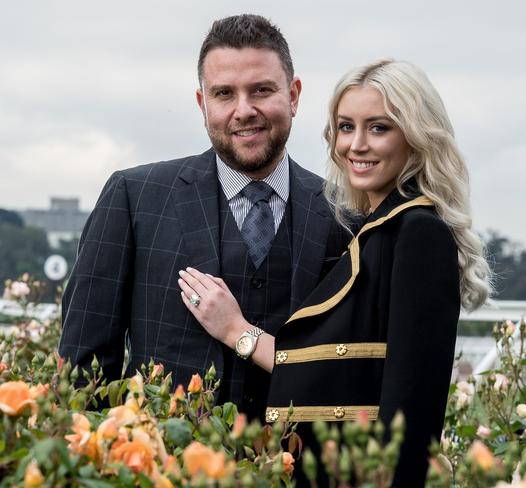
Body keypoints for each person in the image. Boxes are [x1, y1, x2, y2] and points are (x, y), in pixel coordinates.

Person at [178, 59, 491, 486]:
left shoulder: (417, 232)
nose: (356, 145)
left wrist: (238, 332)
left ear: (416, 137)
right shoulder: (376, 230)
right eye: (346, 127)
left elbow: (411, 410)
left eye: (379, 128)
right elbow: (343, 373)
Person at [58, 14, 351, 421]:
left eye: (262, 90)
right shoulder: (134, 197)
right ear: (203, 103)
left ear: (294, 95)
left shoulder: (345, 214)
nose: (244, 110)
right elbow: (82, 373)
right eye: (224, 93)